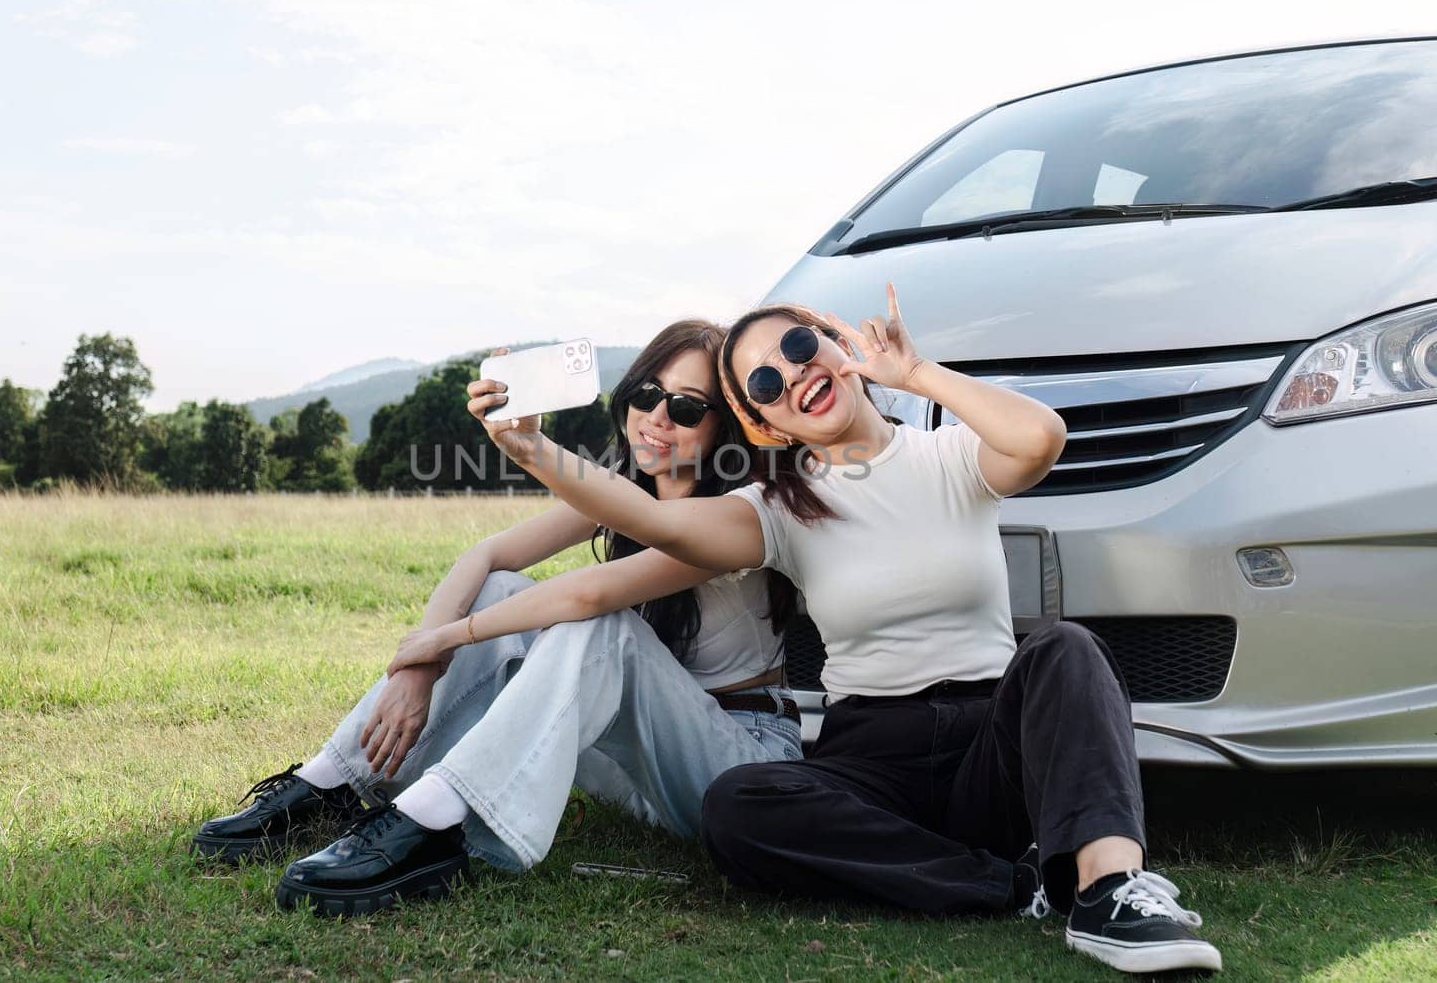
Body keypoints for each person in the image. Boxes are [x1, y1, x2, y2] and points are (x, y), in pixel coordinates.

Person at [464, 284, 1222, 975]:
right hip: (872, 756)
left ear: (835, 344)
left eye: (798, 347)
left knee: (1068, 649)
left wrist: (915, 373)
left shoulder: (948, 454)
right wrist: (530, 447)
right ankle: (1005, 883)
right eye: (766, 383)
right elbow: (652, 518)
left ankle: (1110, 893)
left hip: (991, 736)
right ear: (763, 423)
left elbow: (1041, 437)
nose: (793, 375)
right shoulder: (778, 508)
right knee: (738, 806)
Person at [192, 320, 803, 918]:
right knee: (504, 587)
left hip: (732, 766)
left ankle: (433, 822)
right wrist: (419, 668)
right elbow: (486, 557)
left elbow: (589, 597)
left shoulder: (738, 512)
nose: (658, 417)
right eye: (646, 394)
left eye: (688, 408)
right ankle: (333, 783)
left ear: (726, 426)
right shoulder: (629, 490)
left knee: (602, 626)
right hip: (636, 765)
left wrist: (440, 639)